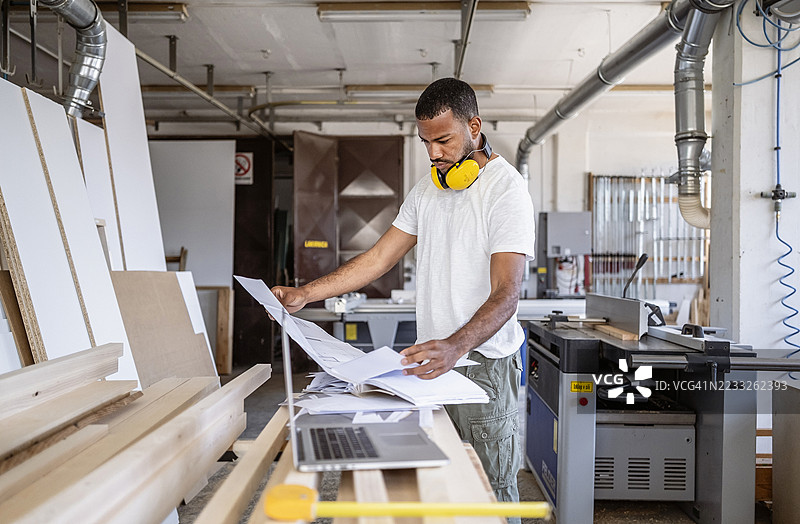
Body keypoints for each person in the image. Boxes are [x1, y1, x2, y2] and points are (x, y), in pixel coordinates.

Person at [271, 77, 535, 514]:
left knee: (489, 493)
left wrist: (456, 345)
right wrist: (306, 293)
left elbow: (507, 294)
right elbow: (378, 259)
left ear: (475, 126)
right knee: (437, 485)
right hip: (431, 365)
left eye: (444, 140)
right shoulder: (428, 187)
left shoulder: (505, 191)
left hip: (482, 366)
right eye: (425, 142)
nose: (434, 153)